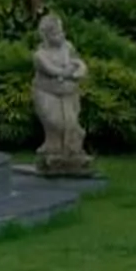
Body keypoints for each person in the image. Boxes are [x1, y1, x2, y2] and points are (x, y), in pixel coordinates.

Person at [31, 11, 93, 177]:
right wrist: (67, 72)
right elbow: (52, 71)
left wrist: (78, 70)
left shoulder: (68, 47)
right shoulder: (40, 56)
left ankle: (71, 152)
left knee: (71, 122)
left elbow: (79, 63)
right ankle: (52, 150)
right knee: (55, 122)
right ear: (46, 36)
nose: (61, 35)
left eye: (61, 31)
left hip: (68, 93)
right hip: (47, 93)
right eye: (56, 33)